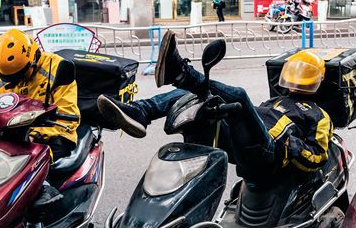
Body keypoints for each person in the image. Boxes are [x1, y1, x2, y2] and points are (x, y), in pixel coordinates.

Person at [97, 31, 333, 182]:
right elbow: (250, 123)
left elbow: (319, 156)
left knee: (239, 96)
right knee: (195, 95)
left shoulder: (319, 115)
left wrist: (293, 147)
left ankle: (182, 73)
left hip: (270, 154)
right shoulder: (274, 102)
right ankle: (142, 111)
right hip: (245, 146)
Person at [0, 29, 80, 228]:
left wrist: (35, 134)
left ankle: (36, 220)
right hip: (16, 135)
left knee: (33, 161)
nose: (13, 81)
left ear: (32, 60)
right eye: (8, 78)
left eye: (19, 75)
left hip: (55, 133)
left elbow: (68, 116)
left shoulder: (59, 68)